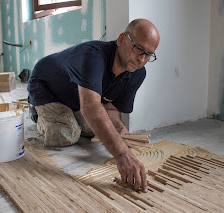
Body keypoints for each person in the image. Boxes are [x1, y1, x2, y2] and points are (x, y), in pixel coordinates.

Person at [27, 18, 160, 192]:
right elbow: (91, 107)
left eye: (148, 54)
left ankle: (70, 115)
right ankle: (37, 112)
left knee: (99, 130)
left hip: (76, 98)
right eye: (138, 49)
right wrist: (122, 155)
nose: (142, 59)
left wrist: (118, 127)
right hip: (46, 88)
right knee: (66, 134)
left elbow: (111, 108)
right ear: (121, 39)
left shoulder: (137, 73)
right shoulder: (92, 56)